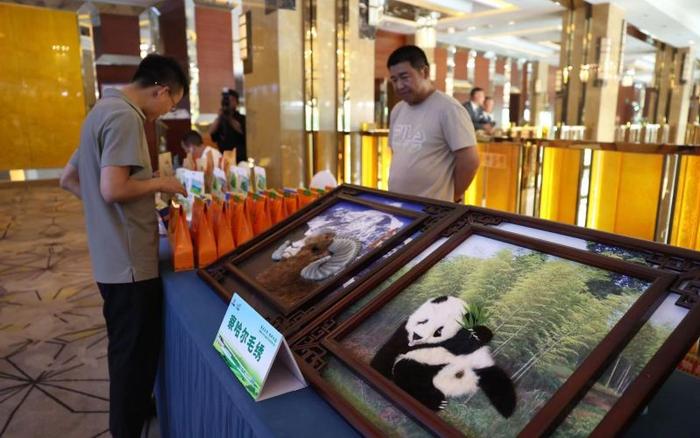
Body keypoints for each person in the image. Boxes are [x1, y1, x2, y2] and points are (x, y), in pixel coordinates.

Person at [59, 54, 189, 438]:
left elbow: (68, 178)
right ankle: (126, 428)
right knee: (133, 355)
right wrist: (161, 184)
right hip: (130, 263)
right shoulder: (126, 117)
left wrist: (103, 215)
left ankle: (132, 409)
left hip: (108, 258)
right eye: (172, 104)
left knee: (125, 348)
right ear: (161, 90)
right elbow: (113, 188)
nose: (166, 112)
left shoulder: (101, 109)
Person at [386, 45, 480, 203]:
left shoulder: (449, 109)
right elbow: (397, 153)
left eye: (404, 77)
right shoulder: (398, 110)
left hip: (432, 210)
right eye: (394, 80)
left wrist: (451, 196)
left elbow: (469, 161)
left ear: (425, 72)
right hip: (399, 205)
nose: (399, 86)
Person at [209, 89, 247, 163]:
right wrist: (220, 116)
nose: (228, 102)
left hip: (240, 157)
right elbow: (211, 132)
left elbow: (240, 130)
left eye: (231, 100)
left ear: (237, 103)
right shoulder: (221, 119)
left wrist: (229, 118)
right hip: (225, 158)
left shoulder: (242, 118)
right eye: (226, 100)